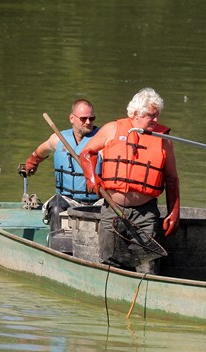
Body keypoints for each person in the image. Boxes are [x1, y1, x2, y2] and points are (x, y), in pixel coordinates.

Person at [79, 87, 180, 274]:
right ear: (135, 114)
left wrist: (174, 211)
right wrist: (92, 178)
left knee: (147, 267)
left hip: (145, 214)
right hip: (112, 209)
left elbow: (172, 178)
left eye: (157, 115)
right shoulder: (112, 129)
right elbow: (86, 153)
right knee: (110, 264)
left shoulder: (163, 139)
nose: (156, 120)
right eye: (151, 115)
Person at [24, 99, 101, 233]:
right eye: (83, 119)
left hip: (97, 201)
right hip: (68, 199)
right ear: (72, 118)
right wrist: (33, 161)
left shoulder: (103, 140)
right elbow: (41, 151)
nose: (88, 122)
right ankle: (56, 245)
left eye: (91, 118)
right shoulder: (58, 139)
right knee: (55, 205)